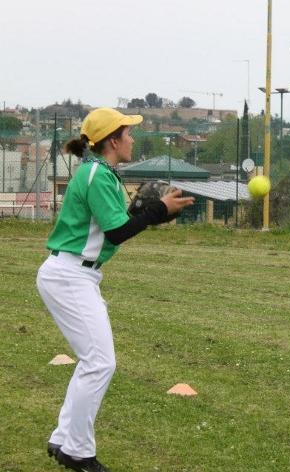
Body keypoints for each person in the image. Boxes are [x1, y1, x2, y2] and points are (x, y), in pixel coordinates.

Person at [36, 108, 194, 472]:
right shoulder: (96, 174)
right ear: (113, 140)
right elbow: (117, 232)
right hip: (69, 276)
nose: (132, 138)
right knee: (100, 362)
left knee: (94, 361)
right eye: (128, 132)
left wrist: (157, 212)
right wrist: (157, 210)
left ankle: (64, 439)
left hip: (77, 275)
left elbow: (120, 223)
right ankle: (77, 450)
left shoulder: (99, 173)